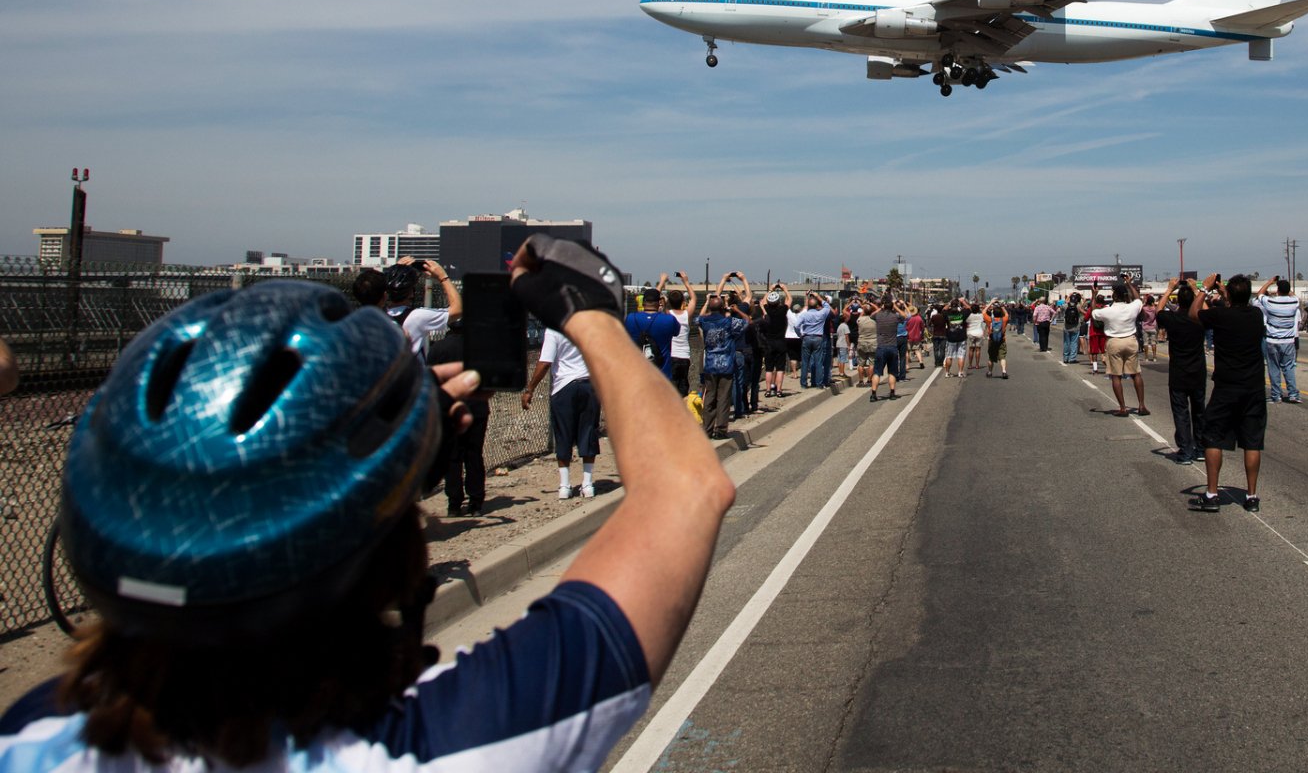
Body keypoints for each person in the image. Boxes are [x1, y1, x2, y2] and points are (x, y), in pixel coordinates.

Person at [1, 235, 732, 772]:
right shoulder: (457, 738)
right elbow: (685, 489)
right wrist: (591, 313)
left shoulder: (32, 734)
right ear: (388, 559)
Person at [1190, 274, 1267, 513]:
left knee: (1213, 437)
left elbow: (1194, 314)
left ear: (1229, 296)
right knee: (1252, 442)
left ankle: (1212, 494)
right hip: (1253, 387)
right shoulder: (1256, 315)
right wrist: (1226, 292)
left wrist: (1204, 288)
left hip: (1227, 385)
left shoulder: (1220, 316)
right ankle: (1252, 495)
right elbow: (1238, 304)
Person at [523, 324, 601, 499]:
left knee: (563, 433)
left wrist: (530, 388)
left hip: (564, 387)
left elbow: (545, 363)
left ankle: (564, 485)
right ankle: (587, 484)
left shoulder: (555, 329)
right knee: (588, 431)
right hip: (589, 384)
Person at [350, 257, 463, 357]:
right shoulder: (416, 317)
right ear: (411, 293)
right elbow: (458, 309)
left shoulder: (376, 318)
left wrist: (395, 272)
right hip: (412, 377)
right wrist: (443, 277)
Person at [1158, 282, 1207, 464]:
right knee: (1199, 411)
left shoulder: (1173, 319)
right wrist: (1198, 291)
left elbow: (1159, 310)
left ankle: (1186, 451)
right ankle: (1201, 449)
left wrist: (1170, 289)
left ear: (1178, 300)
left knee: (1181, 413)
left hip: (1179, 372)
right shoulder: (1199, 318)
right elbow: (1206, 310)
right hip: (1198, 372)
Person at [697, 288, 749, 440]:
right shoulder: (729, 322)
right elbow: (747, 321)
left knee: (710, 397)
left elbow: (698, 318)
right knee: (723, 398)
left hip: (710, 363)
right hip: (726, 363)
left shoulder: (704, 321)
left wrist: (707, 302)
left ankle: (706, 428)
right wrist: (733, 309)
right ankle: (720, 429)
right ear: (722, 308)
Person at [1096, 279, 1147, 414]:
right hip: (1130, 340)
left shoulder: (1108, 310)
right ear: (1126, 296)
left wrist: (1093, 294)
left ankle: (1123, 408)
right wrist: (1129, 284)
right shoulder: (1132, 307)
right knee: (1136, 373)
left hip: (1114, 341)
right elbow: (1138, 299)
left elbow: (1095, 312)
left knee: (1116, 375)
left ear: (1114, 296)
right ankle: (1141, 405)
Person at [1254, 275, 1303, 405]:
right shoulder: (1294, 302)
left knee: (1274, 368)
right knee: (1289, 367)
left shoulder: (1271, 302)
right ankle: (1293, 394)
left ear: (1277, 290)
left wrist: (1270, 282)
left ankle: (1276, 395)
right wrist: (1286, 289)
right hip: (1288, 340)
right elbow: (1293, 296)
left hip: (1272, 340)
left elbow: (1259, 294)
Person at [625, 285, 679, 378]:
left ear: (643, 303)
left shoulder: (630, 318)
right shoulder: (669, 320)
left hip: (637, 373)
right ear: (659, 303)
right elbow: (676, 332)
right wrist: (665, 307)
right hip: (662, 374)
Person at [866, 296, 901, 401]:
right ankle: (892, 392)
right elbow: (906, 315)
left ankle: (873, 394)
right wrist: (896, 307)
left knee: (877, 372)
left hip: (881, 347)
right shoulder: (895, 316)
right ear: (892, 307)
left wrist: (880, 308)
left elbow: (871, 315)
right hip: (892, 347)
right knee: (892, 372)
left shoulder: (879, 316)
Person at [795, 291, 832, 389]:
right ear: (816, 306)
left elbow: (796, 326)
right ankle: (819, 384)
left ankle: (803, 384)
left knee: (805, 362)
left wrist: (800, 335)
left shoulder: (804, 315)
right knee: (818, 362)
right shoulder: (821, 314)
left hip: (806, 337)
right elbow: (827, 306)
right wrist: (818, 296)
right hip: (818, 337)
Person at [1060, 295, 1083, 364]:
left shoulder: (1065, 306)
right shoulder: (1078, 306)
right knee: (1074, 343)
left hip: (1066, 327)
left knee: (1066, 343)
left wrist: (1066, 300)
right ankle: (1072, 358)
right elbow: (1082, 310)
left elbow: (1060, 309)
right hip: (1076, 327)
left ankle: (1065, 358)